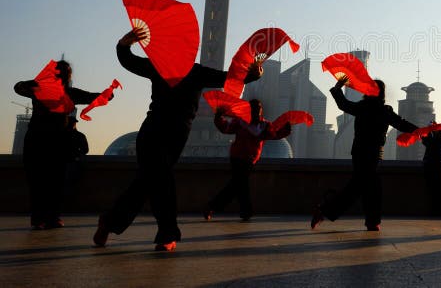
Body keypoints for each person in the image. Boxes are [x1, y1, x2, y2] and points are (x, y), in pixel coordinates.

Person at [93, 26, 262, 251]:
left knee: (146, 181)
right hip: (162, 131)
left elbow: (229, 78)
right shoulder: (175, 69)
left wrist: (253, 74)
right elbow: (129, 61)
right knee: (161, 178)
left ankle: (111, 221)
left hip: (164, 133)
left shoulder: (182, 70)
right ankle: (167, 233)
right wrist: (124, 43)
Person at [311, 76, 417, 231]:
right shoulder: (384, 111)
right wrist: (421, 131)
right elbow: (401, 124)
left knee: (361, 186)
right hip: (373, 153)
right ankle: (366, 220)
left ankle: (330, 211)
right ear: (382, 93)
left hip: (360, 152)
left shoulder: (363, 107)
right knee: (368, 187)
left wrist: (337, 88)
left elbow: (343, 104)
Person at [14, 60, 104, 230]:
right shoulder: (67, 92)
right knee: (55, 182)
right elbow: (92, 96)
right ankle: (51, 217)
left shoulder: (39, 89)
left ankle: (39, 218)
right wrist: (107, 94)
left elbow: (17, 87)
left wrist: (31, 83)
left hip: (37, 140)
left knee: (38, 182)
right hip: (57, 142)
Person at [204, 100, 292, 222]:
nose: (256, 112)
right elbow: (225, 128)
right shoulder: (241, 122)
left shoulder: (264, 126)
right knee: (240, 184)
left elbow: (274, 135)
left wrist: (286, 130)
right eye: (254, 109)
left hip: (249, 159)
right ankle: (244, 211)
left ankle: (213, 207)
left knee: (237, 185)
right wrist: (219, 117)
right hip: (238, 157)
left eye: (258, 109)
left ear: (260, 111)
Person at [422, 120, 441, 216]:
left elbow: (437, 143)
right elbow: (426, 142)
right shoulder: (430, 136)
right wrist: (429, 133)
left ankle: (438, 210)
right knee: (432, 190)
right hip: (434, 166)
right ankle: (434, 210)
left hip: (438, 166)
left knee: (439, 190)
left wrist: (433, 133)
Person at [64, 115, 90, 204]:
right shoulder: (80, 136)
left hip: (66, 163)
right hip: (74, 163)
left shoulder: (61, 136)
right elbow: (85, 150)